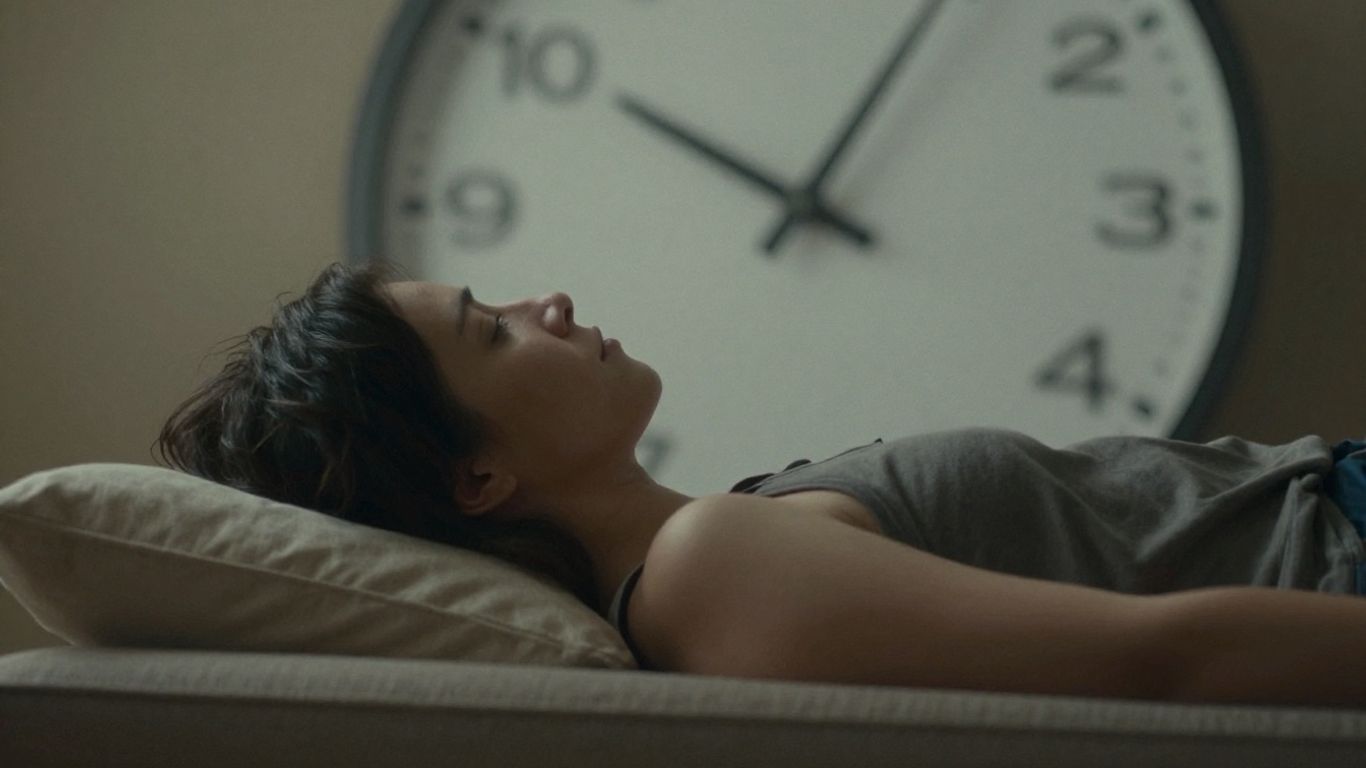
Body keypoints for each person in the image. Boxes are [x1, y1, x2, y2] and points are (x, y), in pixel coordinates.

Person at [158, 260, 1366, 708]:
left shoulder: (720, 540)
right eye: (492, 327)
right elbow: (1156, 660)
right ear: (477, 474)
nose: (549, 302)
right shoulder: (704, 571)